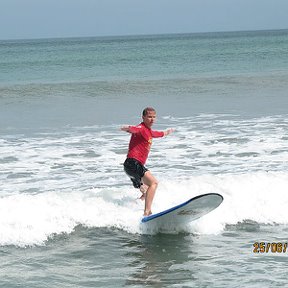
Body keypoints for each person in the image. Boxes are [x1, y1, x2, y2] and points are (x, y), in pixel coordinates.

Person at [121, 107, 174, 216]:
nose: (152, 119)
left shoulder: (149, 132)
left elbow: (158, 134)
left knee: (146, 190)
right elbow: (135, 129)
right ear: (143, 117)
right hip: (133, 163)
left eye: (154, 117)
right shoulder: (141, 128)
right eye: (149, 117)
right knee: (154, 183)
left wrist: (167, 132)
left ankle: (134, 206)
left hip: (131, 166)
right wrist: (127, 128)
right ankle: (147, 212)